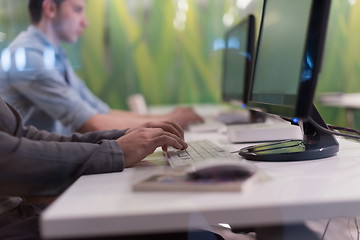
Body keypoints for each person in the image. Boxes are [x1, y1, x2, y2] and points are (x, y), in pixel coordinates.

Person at [0, 96, 229, 240]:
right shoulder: (34, 61)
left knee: (190, 228)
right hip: (13, 226)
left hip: (27, 213)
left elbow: (27, 138)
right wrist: (116, 151)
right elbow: (8, 158)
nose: (85, 22)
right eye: (78, 13)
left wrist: (125, 137)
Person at [0, 0, 203, 136]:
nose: (85, 22)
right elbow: (90, 124)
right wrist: (168, 122)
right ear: (51, 8)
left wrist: (166, 119)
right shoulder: (28, 57)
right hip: (28, 185)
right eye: (78, 10)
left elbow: (100, 112)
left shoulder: (55, 56)